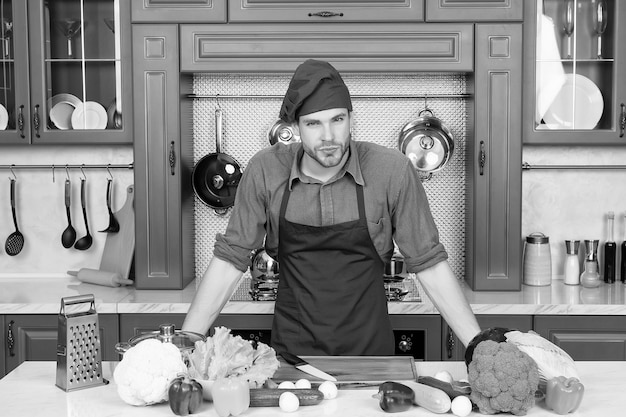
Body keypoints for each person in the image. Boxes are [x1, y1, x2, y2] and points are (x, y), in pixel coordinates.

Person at [183, 59, 480, 355]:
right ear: (295, 128)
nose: (328, 137)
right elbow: (230, 259)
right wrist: (187, 341)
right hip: (292, 359)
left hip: (371, 357)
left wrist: (479, 347)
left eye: (337, 119)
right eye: (314, 123)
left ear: (351, 118)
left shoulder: (392, 170)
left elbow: (430, 264)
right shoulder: (265, 170)